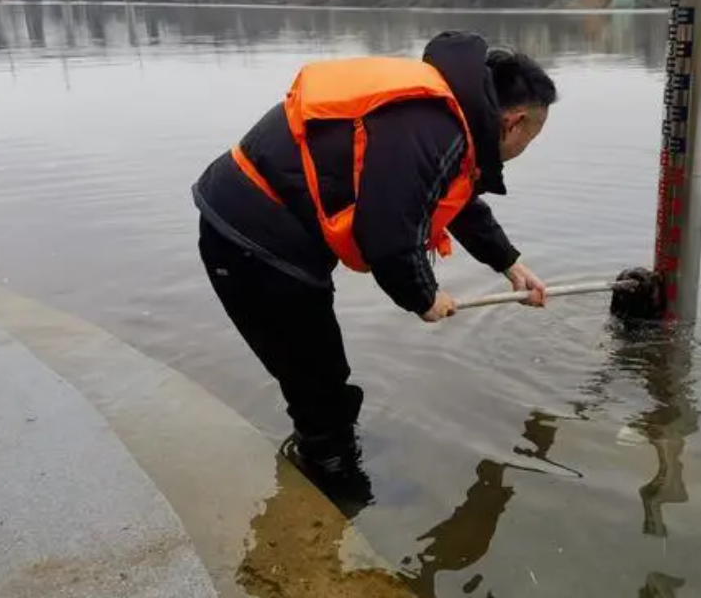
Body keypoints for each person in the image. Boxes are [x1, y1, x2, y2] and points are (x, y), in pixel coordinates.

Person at [192, 30, 557, 498]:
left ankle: (328, 448)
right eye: (531, 139)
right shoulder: (435, 127)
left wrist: (510, 264)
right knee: (315, 371)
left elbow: (452, 200)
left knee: (317, 367)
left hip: (258, 227)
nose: (523, 151)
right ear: (514, 121)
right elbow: (387, 235)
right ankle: (337, 483)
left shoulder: (448, 115)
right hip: (253, 236)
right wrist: (424, 297)